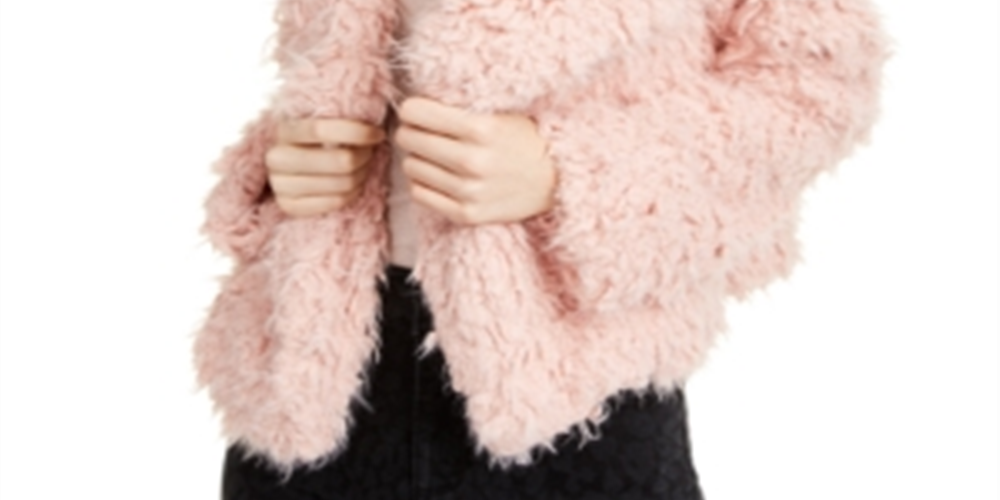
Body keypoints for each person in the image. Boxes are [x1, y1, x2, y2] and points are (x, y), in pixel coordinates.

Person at [193, 0, 891, 499]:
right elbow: (351, 73)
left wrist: (573, 171)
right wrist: (285, 164)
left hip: (577, 383)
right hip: (314, 370)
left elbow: (814, 86)